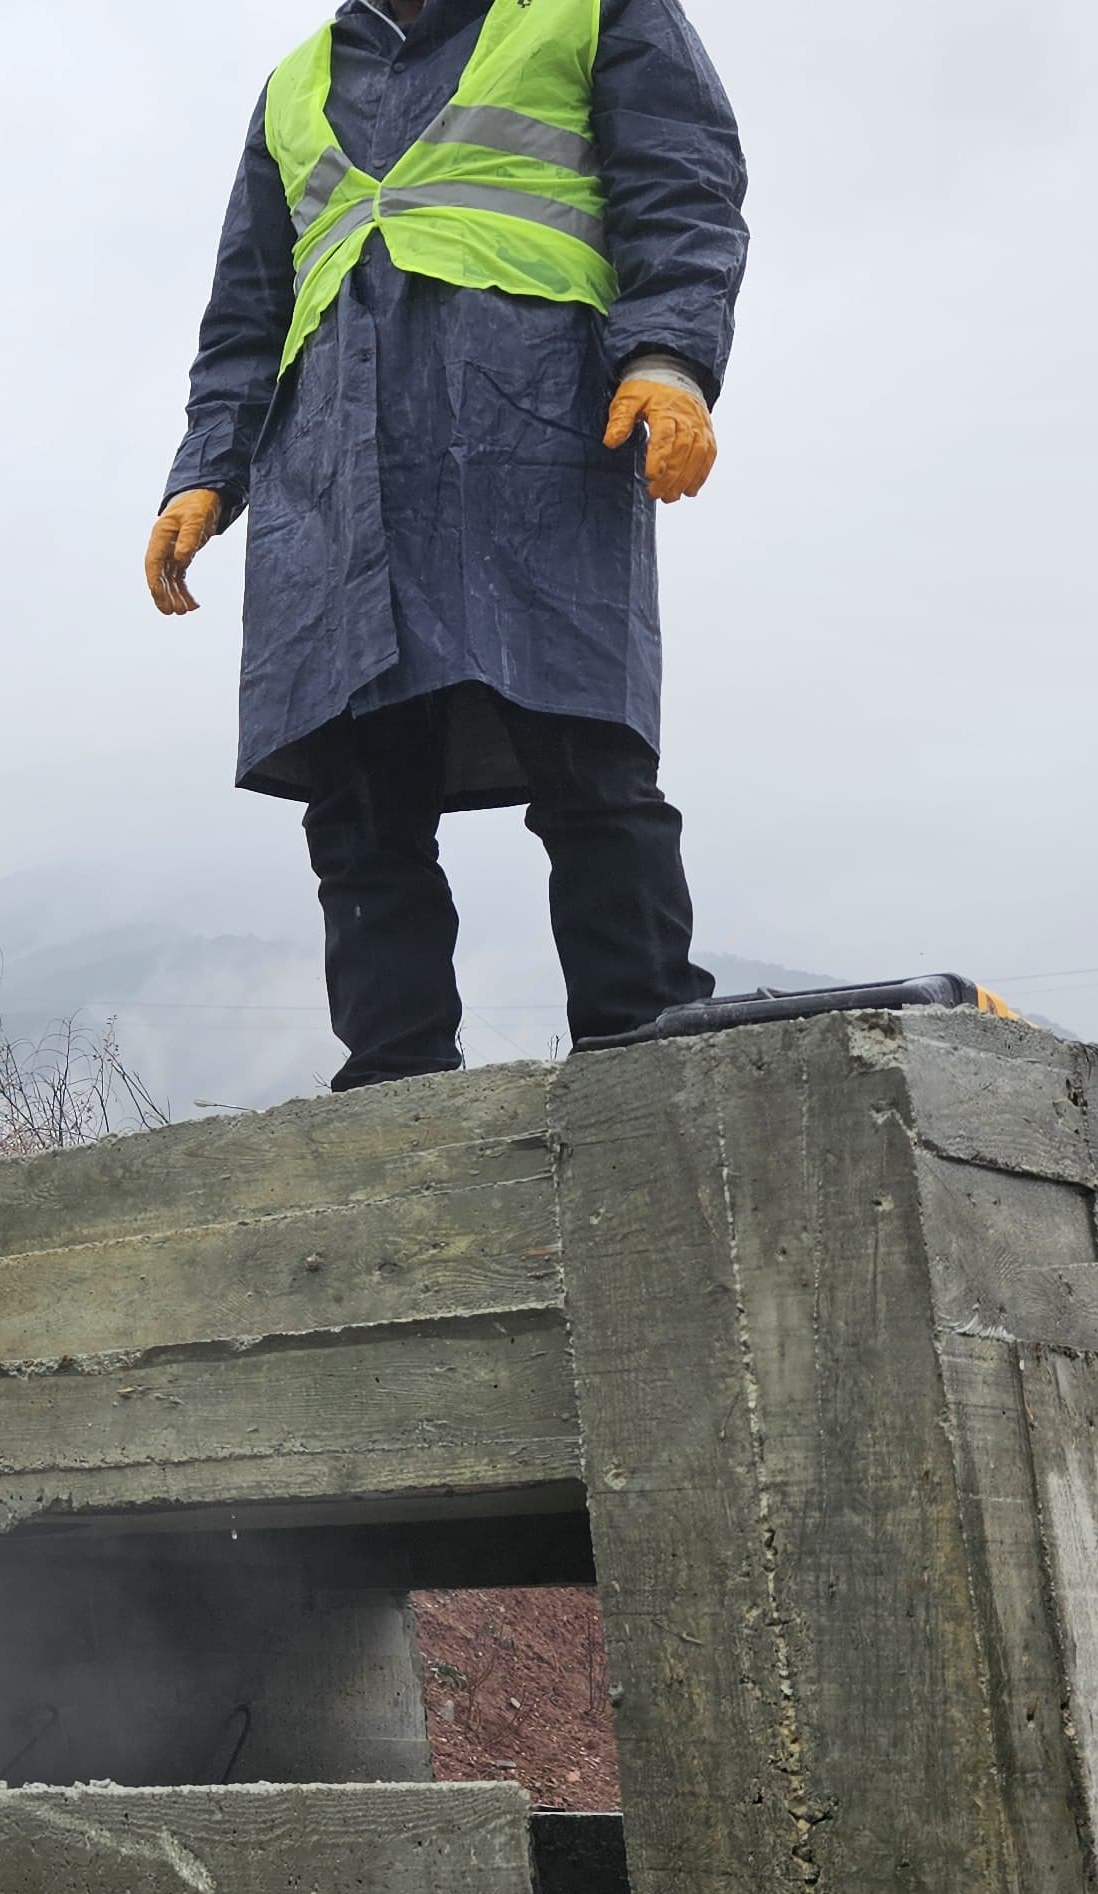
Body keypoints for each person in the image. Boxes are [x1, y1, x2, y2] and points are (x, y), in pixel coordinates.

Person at [145, 0, 747, 1089]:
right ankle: (393, 1084)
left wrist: (667, 358)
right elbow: (247, 308)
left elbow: (681, 191)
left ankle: (642, 1046)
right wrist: (203, 470)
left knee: (585, 749)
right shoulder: (293, 86)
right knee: (360, 797)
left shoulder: (591, 10)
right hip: (333, 473)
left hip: (530, 432)